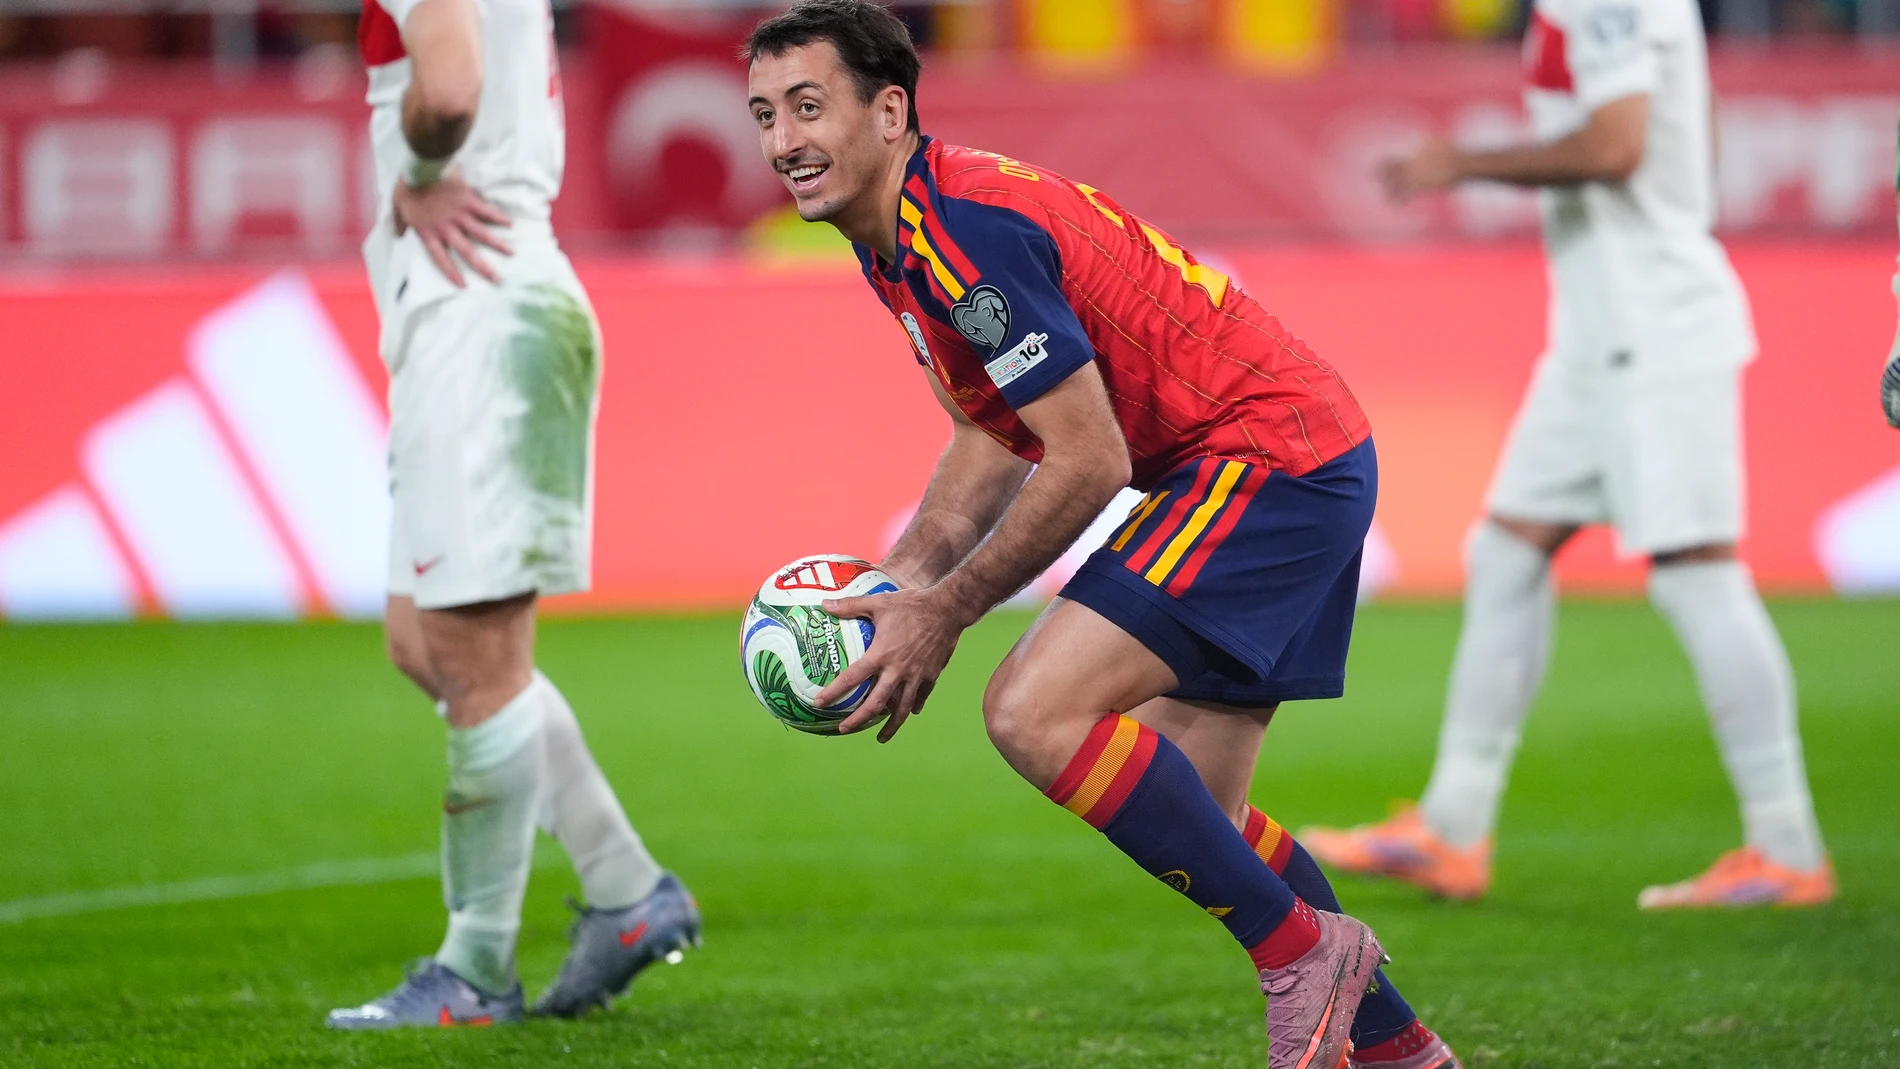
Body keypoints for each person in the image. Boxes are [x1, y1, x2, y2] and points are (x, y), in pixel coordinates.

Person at [744, 4, 1458, 1067]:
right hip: (1292, 454)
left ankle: (1303, 954)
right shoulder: (904, 236)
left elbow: (1087, 459)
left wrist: (947, 611)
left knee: (1030, 710)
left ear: (889, 111)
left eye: (808, 107)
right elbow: (992, 435)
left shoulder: (961, 232)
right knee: (1198, 806)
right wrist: (902, 579)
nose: (783, 140)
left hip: (1264, 461)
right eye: (764, 115)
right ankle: (1397, 1046)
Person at [1300, 0, 1833, 909]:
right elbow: (1691, 128)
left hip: (1654, 331)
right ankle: (1453, 826)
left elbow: (1618, 145)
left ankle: (1787, 848)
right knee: (1507, 550)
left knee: (1696, 572)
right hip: (1597, 337)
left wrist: (1461, 162)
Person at [325, 0, 698, 1028]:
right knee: (423, 642)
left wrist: (420, 173)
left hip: (477, 312)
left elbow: (447, 91)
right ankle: (626, 890)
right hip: (476, 306)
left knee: (478, 657)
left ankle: (476, 967)